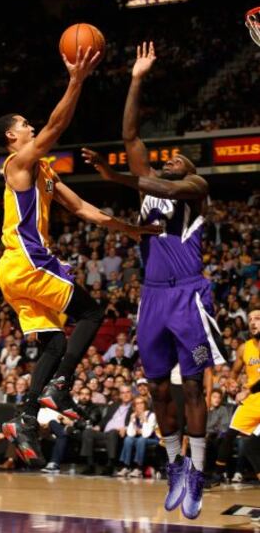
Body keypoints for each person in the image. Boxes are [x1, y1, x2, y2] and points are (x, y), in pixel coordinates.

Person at [0, 46, 160, 468]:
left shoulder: (44, 171)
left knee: (53, 343)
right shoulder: (18, 163)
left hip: (15, 271)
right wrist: (76, 80)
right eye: (24, 125)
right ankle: (60, 387)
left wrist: (131, 229)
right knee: (91, 312)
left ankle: (25, 416)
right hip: (27, 261)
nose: (32, 128)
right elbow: (56, 124)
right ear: (13, 136)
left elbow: (86, 210)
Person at [82, 42, 227, 519]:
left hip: (190, 296)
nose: (173, 160)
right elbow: (130, 135)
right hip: (153, 299)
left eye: (181, 160)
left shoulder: (195, 190)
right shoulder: (152, 191)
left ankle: (201, 470)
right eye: (169, 158)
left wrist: (119, 178)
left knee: (192, 388)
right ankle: (175, 466)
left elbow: (159, 184)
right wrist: (136, 77)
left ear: (192, 172)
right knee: (158, 389)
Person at [206, 308, 260, 486]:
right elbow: (235, 371)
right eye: (250, 319)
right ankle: (217, 475)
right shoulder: (244, 348)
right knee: (229, 435)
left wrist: (248, 390)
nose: (253, 322)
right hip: (252, 400)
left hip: (252, 393)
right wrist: (231, 382)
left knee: (252, 446)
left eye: (258, 318)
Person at [117, 397, 158, 478]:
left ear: (145, 405)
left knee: (141, 440)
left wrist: (145, 420)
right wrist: (132, 421)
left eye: (141, 403)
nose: (139, 406)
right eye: (137, 404)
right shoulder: (133, 415)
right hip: (140, 438)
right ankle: (126, 467)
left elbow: (147, 434)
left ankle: (138, 468)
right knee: (128, 439)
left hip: (153, 439)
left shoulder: (151, 415)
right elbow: (130, 434)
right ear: (134, 406)